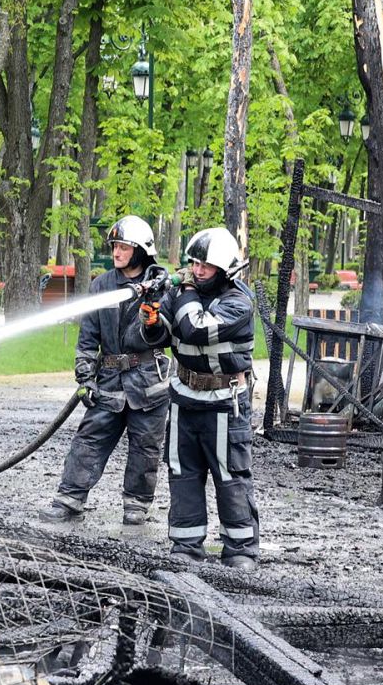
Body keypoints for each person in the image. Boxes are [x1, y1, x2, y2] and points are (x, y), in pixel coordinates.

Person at [139, 226, 259, 570]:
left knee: (230, 475)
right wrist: (152, 323)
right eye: (194, 263)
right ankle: (187, 544)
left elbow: (195, 328)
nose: (197, 269)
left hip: (224, 401)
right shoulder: (184, 295)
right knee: (183, 472)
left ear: (224, 268)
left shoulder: (238, 302)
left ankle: (240, 550)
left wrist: (185, 290)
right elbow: (168, 333)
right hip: (183, 398)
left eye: (204, 265)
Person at [39, 215, 170, 526]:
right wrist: (85, 376)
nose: (117, 252)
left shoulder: (160, 287)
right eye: (114, 246)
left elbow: (168, 334)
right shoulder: (102, 285)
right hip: (109, 380)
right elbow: (89, 335)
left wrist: (154, 318)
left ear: (140, 250)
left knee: (145, 447)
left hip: (147, 383)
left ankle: (136, 506)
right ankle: (70, 499)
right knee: (89, 439)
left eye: (124, 246)